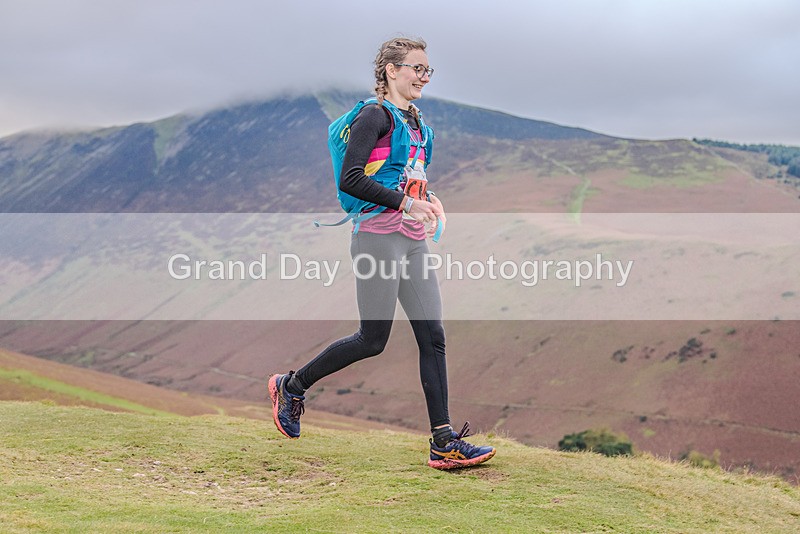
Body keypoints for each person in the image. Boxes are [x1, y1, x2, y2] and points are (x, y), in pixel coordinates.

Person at [269, 37, 495, 470]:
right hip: (376, 237)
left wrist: (431, 202)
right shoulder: (375, 116)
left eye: (429, 70)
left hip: (412, 240)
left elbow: (406, 178)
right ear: (391, 70)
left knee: (434, 336)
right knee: (372, 340)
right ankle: (292, 385)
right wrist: (409, 204)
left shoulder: (419, 127)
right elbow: (352, 179)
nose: (424, 77)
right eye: (417, 68)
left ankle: (443, 441)